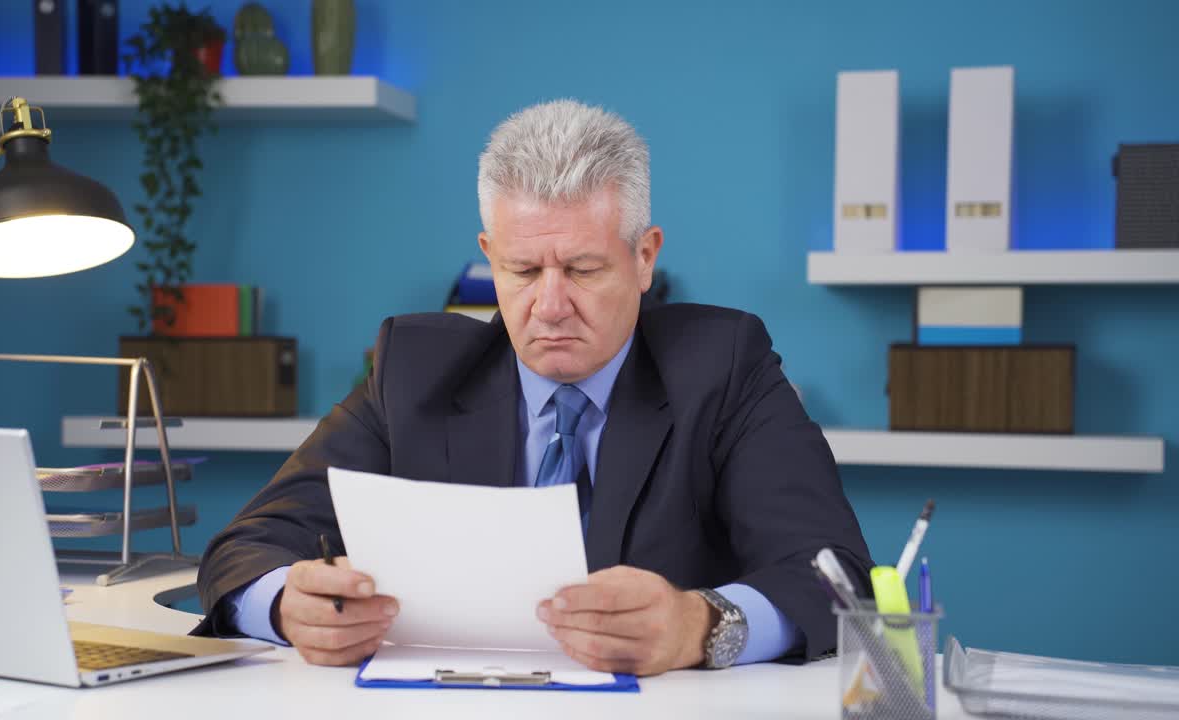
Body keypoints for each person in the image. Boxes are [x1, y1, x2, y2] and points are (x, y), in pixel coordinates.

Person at [194, 99, 872, 676]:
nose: (549, 306)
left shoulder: (724, 366)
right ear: (489, 258)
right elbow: (247, 544)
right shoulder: (413, 367)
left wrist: (702, 625)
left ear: (644, 258)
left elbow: (838, 577)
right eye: (522, 271)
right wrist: (285, 606)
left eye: (581, 269)